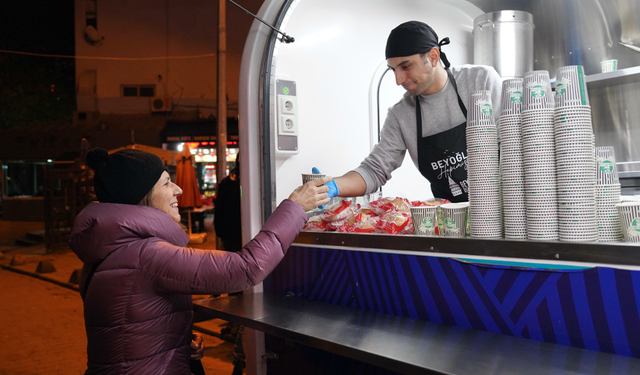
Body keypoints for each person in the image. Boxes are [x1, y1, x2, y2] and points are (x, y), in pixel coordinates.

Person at [69, 148, 331, 374]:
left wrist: (176, 344)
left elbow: (129, 328)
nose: (178, 189)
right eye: (166, 183)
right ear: (143, 196)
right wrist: (295, 206)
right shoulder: (145, 255)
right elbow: (245, 268)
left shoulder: (109, 250)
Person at [327, 20, 502, 203]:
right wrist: (332, 186)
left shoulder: (480, 81)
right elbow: (375, 170)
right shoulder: (400, 115)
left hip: (506, 213)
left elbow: (513, 143)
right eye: (393, 70)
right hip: (452, 224)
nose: (398, 79)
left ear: (434, 56)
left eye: (405, 66)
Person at [214, 153, 242, 252]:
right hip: (231, 236)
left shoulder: (259, 181)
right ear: (238, 160)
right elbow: (219, 210)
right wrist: (222, 234)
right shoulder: (226, 183)